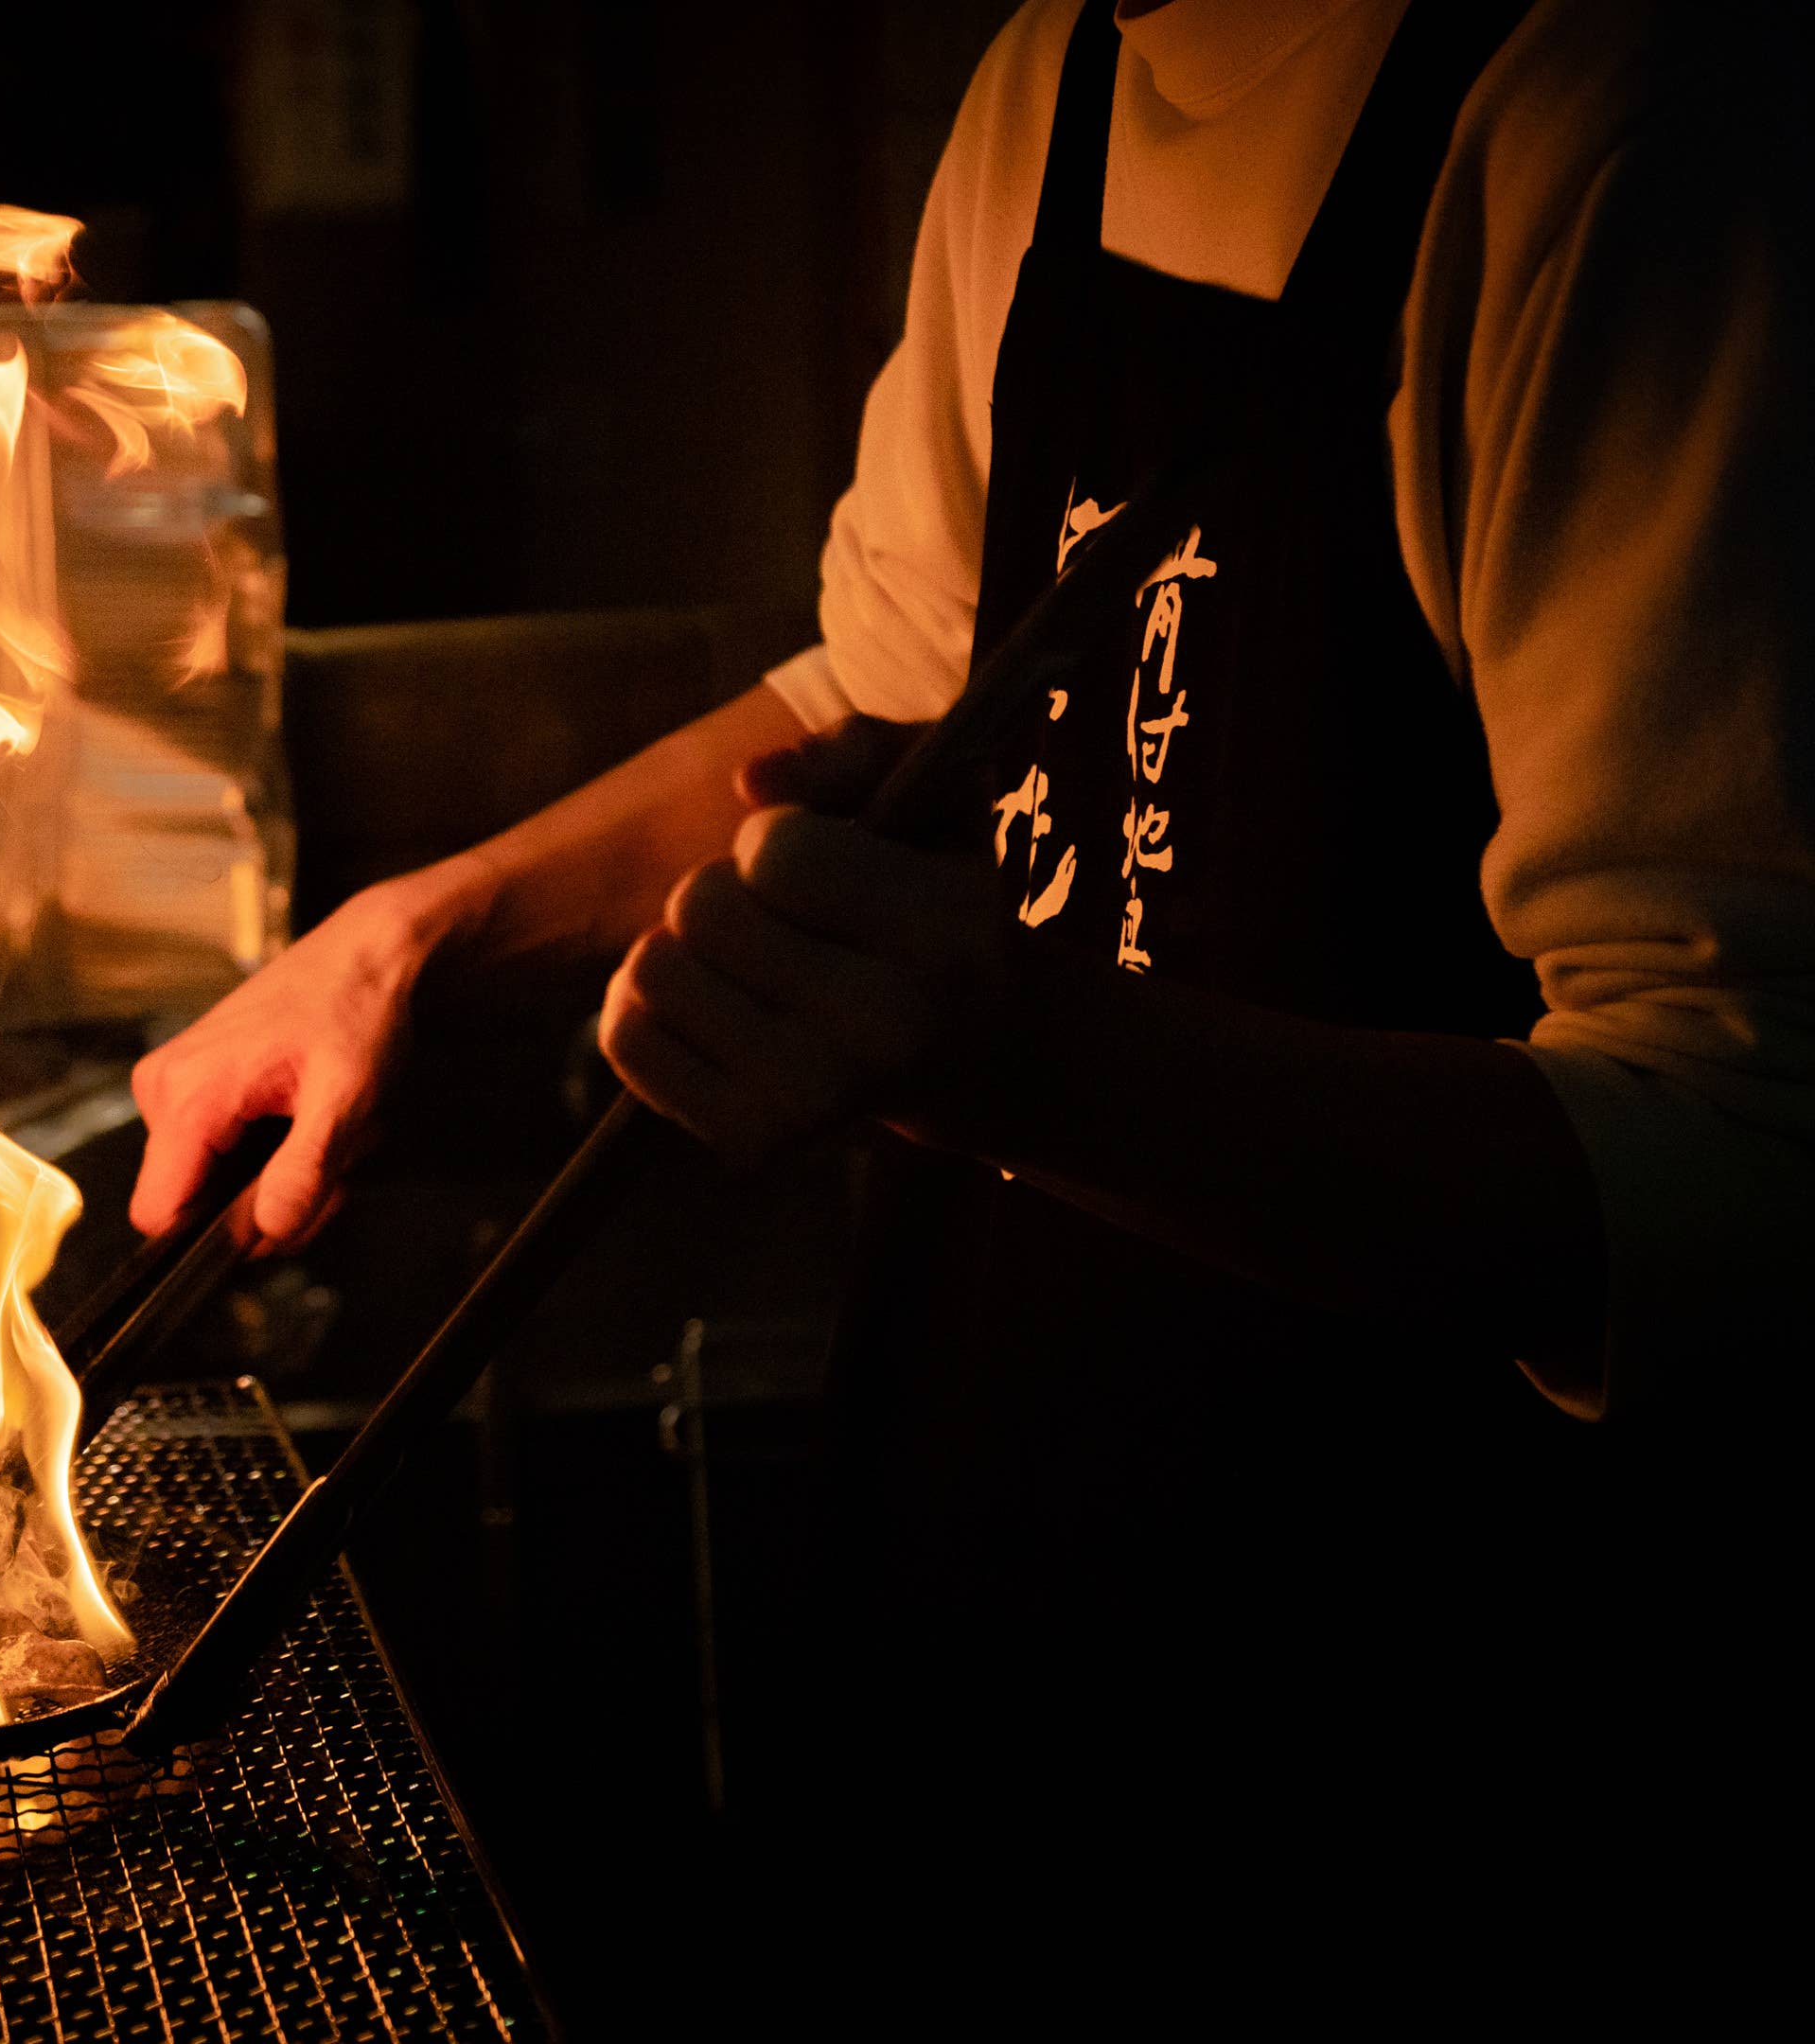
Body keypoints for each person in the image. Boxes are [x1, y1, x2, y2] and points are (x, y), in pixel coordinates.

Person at [126, 0, 1806, 1742]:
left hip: (1413, 1624)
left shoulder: (1621, 117)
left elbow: (1734, 1165)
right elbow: (893, 696)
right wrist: (412, 936)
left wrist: (1024, 1066)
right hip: (992, 1493)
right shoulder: (1052, 75)